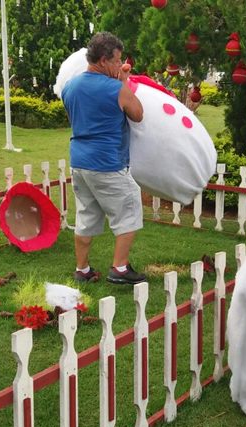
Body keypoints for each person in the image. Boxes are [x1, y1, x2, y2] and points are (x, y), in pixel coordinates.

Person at [61, 32, 145, 285]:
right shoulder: (115, 88)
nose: (120, 66)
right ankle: (119, 268)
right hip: (107, 162)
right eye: (117, 61)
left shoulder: (70, 87)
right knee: (129, 208)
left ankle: (83, 269)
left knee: (86, 215)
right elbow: (138, 114)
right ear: (103, 60)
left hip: (79, 162)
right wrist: (124, 82)